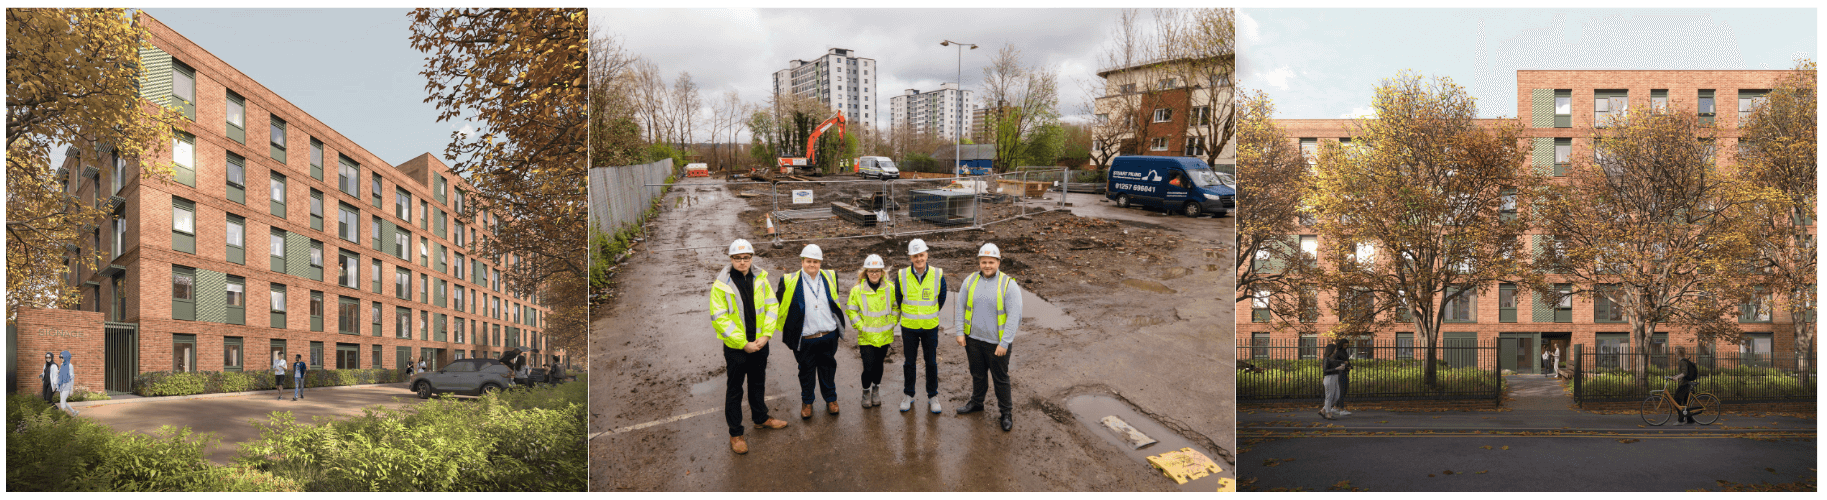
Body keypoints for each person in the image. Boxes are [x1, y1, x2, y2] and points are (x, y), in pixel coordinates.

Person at [712, 239, 788, 454]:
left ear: (752, 258)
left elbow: (772, 306)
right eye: (738, 258)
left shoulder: (761, 279)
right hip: (737, 348)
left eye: (746, 258)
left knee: (757, 382)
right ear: (731, 259)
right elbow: (720, 319)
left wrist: (765, 335)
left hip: (760, 343)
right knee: (735, 390)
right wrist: (742, 343)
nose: (742, 262)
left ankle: (761, 417)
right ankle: (735, 433)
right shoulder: (721, 285)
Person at [775, 243, 847, 420]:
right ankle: (807, 402)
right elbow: (780, 305)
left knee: (828, 369)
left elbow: (833, 302)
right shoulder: (788, 280)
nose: (812, 265)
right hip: (805, 338)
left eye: (816, 261)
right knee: (806, 371)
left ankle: (831, 399)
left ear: (821, 262)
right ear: (802, 261)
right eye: (808, 261)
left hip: (828, 335)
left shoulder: (831, 276)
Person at [954, 243, 1021, 432]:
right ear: (979, 262)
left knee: (1000, 378)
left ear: (998, 262)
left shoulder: (1008, 284)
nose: (987, 265)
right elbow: (960, 307)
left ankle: (1006, 413)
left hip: (996, 344)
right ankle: (977, 403)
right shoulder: (970, 281)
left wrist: (1005, 342)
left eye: (991, 261)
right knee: (978, 374)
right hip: (973, 340)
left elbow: (1014, 317)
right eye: (984, 262)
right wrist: (960, 332)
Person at [896, 238, 947, 414]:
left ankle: (933, 396)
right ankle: (908, 395)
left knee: (931, 362)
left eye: (921, 255)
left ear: (927, 254)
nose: (919, 259)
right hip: (909, 327)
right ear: (910, 257)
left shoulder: (937, 274)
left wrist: (928, 314)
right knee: (909, 363)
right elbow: (898, 299)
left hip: (930, 327)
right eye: (915, 256)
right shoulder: (902, 275)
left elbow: (941, 299)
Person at [846, 254, 900, 409]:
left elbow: (897, 307)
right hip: (866, 337)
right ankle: (865, 391)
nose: (874, 274)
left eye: (877, 271)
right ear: (866, 272)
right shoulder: (857, 290)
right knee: (868, 366)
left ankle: (876, 389)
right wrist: (861, 326)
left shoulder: (890, 288)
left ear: (882, 272)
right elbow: (851, 311)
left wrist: (893, 322)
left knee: (878, 366)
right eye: (871, 271)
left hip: (884, 335)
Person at [1671, 346, 1702, 425]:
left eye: (1675, 351)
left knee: (1676, 401)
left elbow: (1685, 373)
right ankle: (1690, 420)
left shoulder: (1682, 361)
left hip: (1684, 384)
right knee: (1685, 403)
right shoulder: (1682, 361)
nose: (1674, 352)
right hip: (1686, 384)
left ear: (1679, 352)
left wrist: (1677, 377)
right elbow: (1683, 372)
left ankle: (1681, 420)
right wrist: (1675, 376)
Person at [1320, 339, 1349, 420]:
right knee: (1329, 397)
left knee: (1336, 396)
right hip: (1329, 378)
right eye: (1335, 349)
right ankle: (1328, 414)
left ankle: (1323, 410)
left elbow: (1339, 362)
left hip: (1335, 378)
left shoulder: (1332, 358)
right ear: (1331, 350)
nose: (1336, 350)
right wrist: (1337, 368)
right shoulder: (1326, 359)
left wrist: (1343, 365)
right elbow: (1325, 371)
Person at [56, 350, 77, 416]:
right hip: (61, 385)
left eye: (62, 357)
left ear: (66, 357)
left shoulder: (70, 366)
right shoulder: (62, 365)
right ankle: (74, 412)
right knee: (63, 401)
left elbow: (72, 378)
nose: (61, 359)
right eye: (60, 357)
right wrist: (59, 372)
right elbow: (62, 374)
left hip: (67, 385)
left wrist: (71, 389)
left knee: (62, 401)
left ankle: (63, 416)